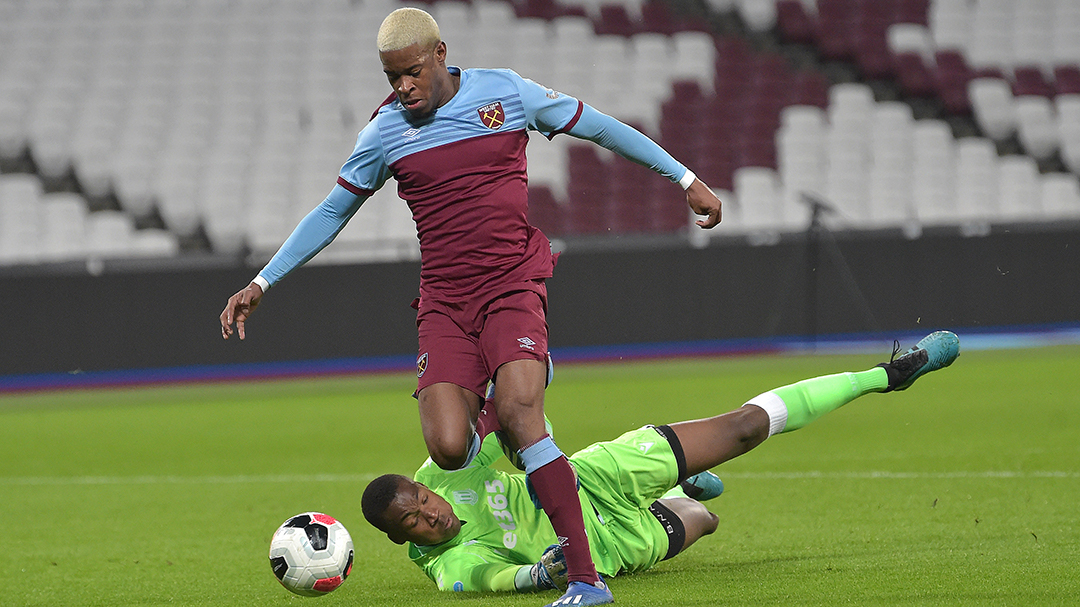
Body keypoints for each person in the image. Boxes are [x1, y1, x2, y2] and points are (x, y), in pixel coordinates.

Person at [219, 7, 725, 606]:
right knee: (450, 449)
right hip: (445, 302)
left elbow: (600, 127)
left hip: (511, 282)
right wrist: (263, 281)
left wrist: (684, 176)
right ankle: (526, 375)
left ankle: (587, 581)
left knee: (518, 415)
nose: (402, 87)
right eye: (391, 78)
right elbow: (333, 211)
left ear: (439, 54)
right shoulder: (384, 132)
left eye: (410, 73)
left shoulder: (505, 93)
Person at [360, 331, 960, 598]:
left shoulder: (445, 470)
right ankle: (679, 491)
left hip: (590, 478)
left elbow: (508, 423)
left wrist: (521, 374)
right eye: (412, 523)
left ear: (421, 486)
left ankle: (888, 374)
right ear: (399, 541)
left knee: (744, 429)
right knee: (702, 518)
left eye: (420, 501)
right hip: (610, 545)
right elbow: (496, 580)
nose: (429, 515)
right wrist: (543, 575)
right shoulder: (449, 568)